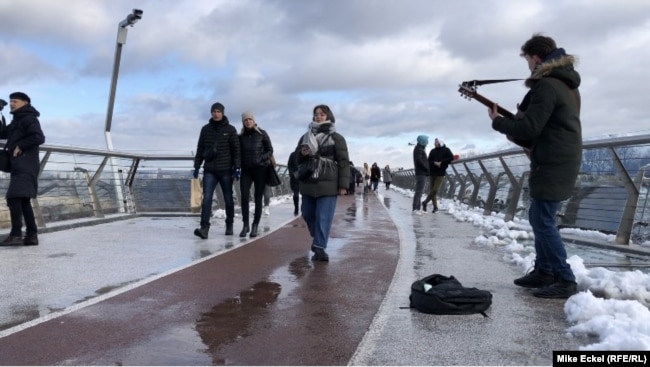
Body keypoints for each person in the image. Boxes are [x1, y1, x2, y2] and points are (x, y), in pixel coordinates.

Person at [489, 33, 581, 299]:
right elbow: (542, 125)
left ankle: (564, 278)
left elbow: (530, 128)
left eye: (528, 60)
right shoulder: (566, 85)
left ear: (536, 58)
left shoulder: (547, 86)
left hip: (553, 160)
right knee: (540, 217)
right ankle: (544, 271)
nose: (528, 66)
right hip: (559, 157)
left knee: (542, 219)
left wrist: (498, 121)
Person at [295, 104, 349, 262]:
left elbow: (344, 162)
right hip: (308, 180)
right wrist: (303, 154)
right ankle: (318, 236)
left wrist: (343, 185)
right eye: (316, 114)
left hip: (328, 181)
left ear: (329, 117)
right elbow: (296, 159)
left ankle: (319, 247)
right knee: (307, 213)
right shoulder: (305, 137)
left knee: (324, 216)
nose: (318, 117)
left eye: (322, 114)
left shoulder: (337, 138)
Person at [0, 92, 45, 246]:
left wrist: (21, 145)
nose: (12, 104)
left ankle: (16, 234)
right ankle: (32, 236)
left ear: (25, 103)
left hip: (26, 164)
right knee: (23, 199)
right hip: (19, 163)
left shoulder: (29, 118)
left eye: (15, 101)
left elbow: (39, 137)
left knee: (13, 197)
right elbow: (2, 134)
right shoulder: (16, 121)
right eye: (11, 101)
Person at [193, 102, 241, 238]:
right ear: (211, 113)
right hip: (209, 170)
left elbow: (236, 150)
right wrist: (196, 166)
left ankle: (229, 224)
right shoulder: (205, 129)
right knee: (206, 199)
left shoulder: (231, 130)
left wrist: (237, 167)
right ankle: (204, 228)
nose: (216, 114)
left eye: (218, 111)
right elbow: (200, 148)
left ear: (223, 113)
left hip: (226, 169)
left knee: (228, 199)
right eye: (214, 111)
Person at [237, 112, 273, 238]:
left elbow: (270, 149)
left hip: (260, 170)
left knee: (258, 197)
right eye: (245, 120)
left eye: (250, 119)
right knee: (245, 196)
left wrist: (261, 159)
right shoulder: (240, 136)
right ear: (243, 122)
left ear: (254, 121)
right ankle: (245, 224)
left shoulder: (262, 133)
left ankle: (255, 225)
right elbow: (237, 153)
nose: (248, 121)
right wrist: (238, 166)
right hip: (246, 170)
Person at [422, 138, 453, 213]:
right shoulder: (433, 151)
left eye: (436, 142)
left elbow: (451, 158)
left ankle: (425, 202)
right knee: (432, 190)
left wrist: (441, 162)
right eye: (434, 142)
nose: (434, 143)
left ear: (440, 143)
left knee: (435, 190)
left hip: (440, 173)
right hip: (432, 172)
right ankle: (435, 207)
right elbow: (428, 161)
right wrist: (434, 163)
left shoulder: (446, 150)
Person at [412, 135, 430, 215]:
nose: (427, 143)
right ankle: (415, 208)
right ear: (423, 141)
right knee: (419, 191)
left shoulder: (419, 148)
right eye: (426, 141)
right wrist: (426, 168)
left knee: (420, 191)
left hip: (421, 172)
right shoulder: (418, 149)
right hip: (421, 172)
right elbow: (419, 161)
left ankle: (417, 208)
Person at [287, 151, 300, 215]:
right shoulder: (293, 154)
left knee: (305, 195)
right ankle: (296, 209)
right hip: (295, 178)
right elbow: (289, 165)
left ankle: (302, 208)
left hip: (304, 177)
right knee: (295, 194)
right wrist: (292, 174)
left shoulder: (307, 153)